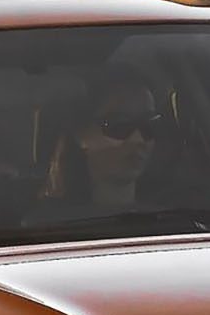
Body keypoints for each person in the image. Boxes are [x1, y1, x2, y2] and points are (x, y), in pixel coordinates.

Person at [30, 71, 164, 218]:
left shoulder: (175, 216)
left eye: (149, 125)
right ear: (80, 133)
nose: (139, 139)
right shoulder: (46, 226)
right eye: (119, 125)